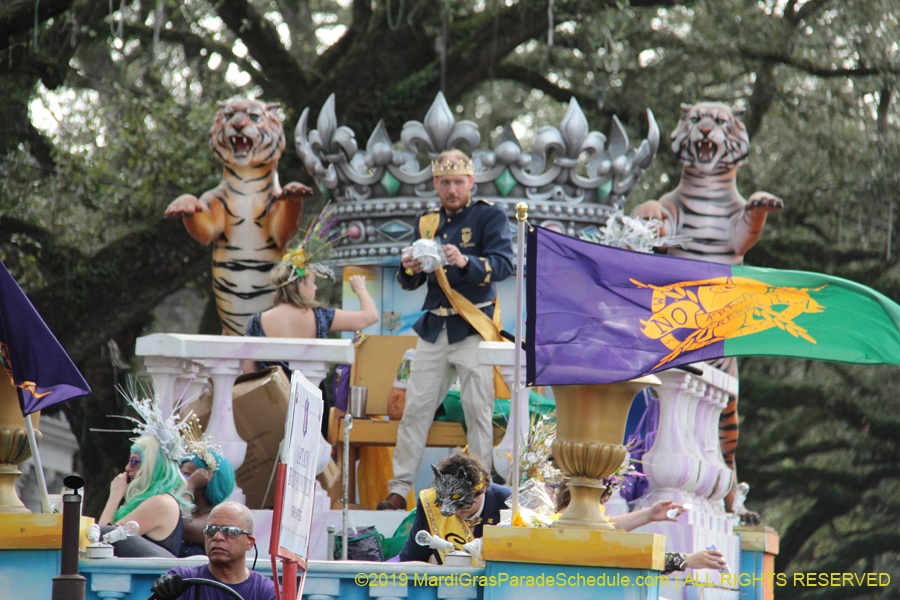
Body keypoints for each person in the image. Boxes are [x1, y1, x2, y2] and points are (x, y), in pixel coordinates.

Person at [378, 150, 514, 511]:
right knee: (414, 410)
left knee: (478, 411)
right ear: (435, 184)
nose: (452, 189)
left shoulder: (489, 215)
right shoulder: (427, 222)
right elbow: (411, 281)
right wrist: (408, 268)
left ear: (471, 182)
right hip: (435, 326)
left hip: (472, 326)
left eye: (458, 182)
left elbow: (503, 265)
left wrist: (466, 261)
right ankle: (399, 490)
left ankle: (480, 490)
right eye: (445, 182)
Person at [555, 480, 727, 574]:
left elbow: (604, 530)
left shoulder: (576, 527)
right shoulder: (564, 530)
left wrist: (649, 515)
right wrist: (684, 560)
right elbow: (622, 557)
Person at [398, 449, 510, 564]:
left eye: (461, 502)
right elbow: (411, 559)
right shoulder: (430, 503)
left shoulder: (507, 502)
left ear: (483, 489)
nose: (455, 510)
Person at [151, 501, 277, 600]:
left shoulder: (267, 591)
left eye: (229, 531)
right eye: (210, 530)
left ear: (249, 542)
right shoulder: (182, 580)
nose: (217, 537)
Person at [99, 435, 192, 558]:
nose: (128, 468)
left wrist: (115, 495)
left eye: (135, 462)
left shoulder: (160, 503)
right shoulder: (157, 500)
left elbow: (101, 539)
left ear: (153, 464)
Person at [179, 449, 236, 557]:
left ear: (206, 481)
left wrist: (190, 486)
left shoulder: (216, 520)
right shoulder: (182, 509)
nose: (180, 480)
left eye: (186, 475)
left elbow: (182, 527)